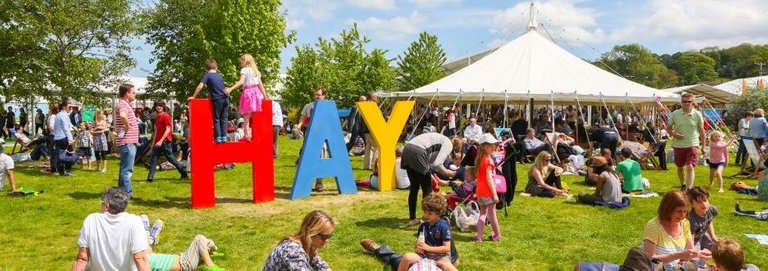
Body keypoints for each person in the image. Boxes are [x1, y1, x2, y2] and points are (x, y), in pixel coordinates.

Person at [73, 187, 150, 271]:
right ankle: (149, 234)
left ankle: (149, 235)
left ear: (106, 206)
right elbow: (140, 258)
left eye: (101, 203)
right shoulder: (134, 221)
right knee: (147, 250)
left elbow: (82, 258)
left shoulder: (91, 220)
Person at [643, 191, 711, 270]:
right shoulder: (654, 226)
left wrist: (699, 254)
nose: (682, 215)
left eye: (685, 211)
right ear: (667, 209)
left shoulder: (685, 223)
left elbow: (688, 254)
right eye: (679, 211)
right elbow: (650, 259)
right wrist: (678, 255)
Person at [390, 193, 457, 271]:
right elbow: (419, 241)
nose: (426, 215)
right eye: (425, 212)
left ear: (438, 213)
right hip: (424, 255)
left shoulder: (443, 226)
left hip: (440, 256)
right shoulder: (423, 226)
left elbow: (446, 248)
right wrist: (418, 247)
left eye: (430, 213)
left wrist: (428, 248)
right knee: (407, 257)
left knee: (448, 266)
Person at [401, 132, 457, 226]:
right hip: (418, 151)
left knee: (414, 187)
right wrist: (448, 172)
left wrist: (430, 174)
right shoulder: (448, 144)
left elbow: (428, 163)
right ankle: (428, 219)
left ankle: (412, 219)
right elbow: (438, 164)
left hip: (407, 148)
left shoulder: (441, 139)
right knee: (427, 189)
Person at [263, 210, 335, 271]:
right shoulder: (293, 252)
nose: (327, 240)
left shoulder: (306, 244)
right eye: (324, 237)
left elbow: (323, 267)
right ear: (310, 232)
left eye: (329, 236)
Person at [225, 53, 268, 142]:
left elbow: (241, 81)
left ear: (244, 61)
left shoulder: (244, 70)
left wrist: (231, 88)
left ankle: (247, 135)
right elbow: (261, 85)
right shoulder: (256, 71)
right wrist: (265, 96)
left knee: (246, 116)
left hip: (248, 93)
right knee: (255, 115)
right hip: (256, 93)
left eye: (241, 62)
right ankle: (258, 134)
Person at [668, 92, 705, 191]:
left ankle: (689, 189)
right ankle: (683, 184)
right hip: (678, 145)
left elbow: (701, 131)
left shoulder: (697, 114)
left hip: (692, 144)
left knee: (690, 166)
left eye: (689, 102)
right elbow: (668, 128)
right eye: (685, 101)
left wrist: (703, 146)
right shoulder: (675, 113)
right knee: (680, 167)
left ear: (693, 102)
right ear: (681, 102)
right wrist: (674, 134)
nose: (687, 103)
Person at [146, 101, 188, 183]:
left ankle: (184, 173)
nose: (159, 107)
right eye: (157, 106)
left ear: (163, 107)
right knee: (153, 159)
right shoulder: (157, 117)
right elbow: (156, 131)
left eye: (160, 106)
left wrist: (161, 141)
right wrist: (153, 143)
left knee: (171, 159)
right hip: (158, 142)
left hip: (165, 142)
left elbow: (168, 129)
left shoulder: (166, 116)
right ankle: (150, 179)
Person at [190, 59, 229, 143]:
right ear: (216, 67)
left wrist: (194, 96)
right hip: (226, 98)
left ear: (205, 68)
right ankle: (224, 136)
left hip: (217, 99)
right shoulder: (219, 76)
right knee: (224, 118)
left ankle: (218, 137)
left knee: (216, 118)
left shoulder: (207, 75)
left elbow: (200, 86)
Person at [299, 87, 327, 192]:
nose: (317, 97)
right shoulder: (308, 106)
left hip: (323, 137)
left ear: (324, 96)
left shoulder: (327, 107)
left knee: (321, 159)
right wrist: (299, 124)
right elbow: (303, 118)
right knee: (308, 159)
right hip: (310, 135)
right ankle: (306, 183)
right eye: (315, 94)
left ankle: (319, 184)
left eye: (319, 95)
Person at [473, 133, 501, 242]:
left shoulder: (480, 159)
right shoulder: (489, 160)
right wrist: (494, 194)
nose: (493, 147)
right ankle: (497, 235)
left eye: (493, 144)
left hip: (480, 190)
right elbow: (489, 178)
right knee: (492, 214)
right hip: (488, 191)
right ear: (484, 146)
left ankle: (479, 236)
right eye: (490, 145)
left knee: (483, 213)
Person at [116, 83, 140, 198]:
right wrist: (126, 126)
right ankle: (128, 194)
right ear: (127, 93)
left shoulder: (123, 104)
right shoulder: (123, 104)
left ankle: (121, 193)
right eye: (133, 92)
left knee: (123, 169)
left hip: (127, 142)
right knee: (127, 170)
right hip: (127, 142)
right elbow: (123, 115)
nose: (135, 94)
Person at [686, 187, 719, 252]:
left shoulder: (712, 209)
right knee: (696, 259)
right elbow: (690, 238)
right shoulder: (691, 219)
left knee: (719, 248)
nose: (704, 204)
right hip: (691, 240)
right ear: (692, 204)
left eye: (705, 200)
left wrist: (713, 236)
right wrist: (692, 249)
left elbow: (709, 221)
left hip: (702, 236)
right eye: (699, 202)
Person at [54, 101, 75, 176]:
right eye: (70, 107)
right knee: (68, 154)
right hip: (63, 137)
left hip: (57, 137)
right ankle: (68, 171)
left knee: (60, 155)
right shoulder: (63, 115)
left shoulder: (58, 115)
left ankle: (60, 172)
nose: (71, 108)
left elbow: (56, 127)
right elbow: (66, 128)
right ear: (64, 107)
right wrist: (70, 139)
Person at [363, 92, 378, 171]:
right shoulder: (372, 105)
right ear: (373, 97)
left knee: (368, 147)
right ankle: (373, 166)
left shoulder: (365, 104)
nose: (377, 98)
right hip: (371, 129)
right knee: (376, 148)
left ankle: (366, 165)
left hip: (366, 129)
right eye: (376, 96)